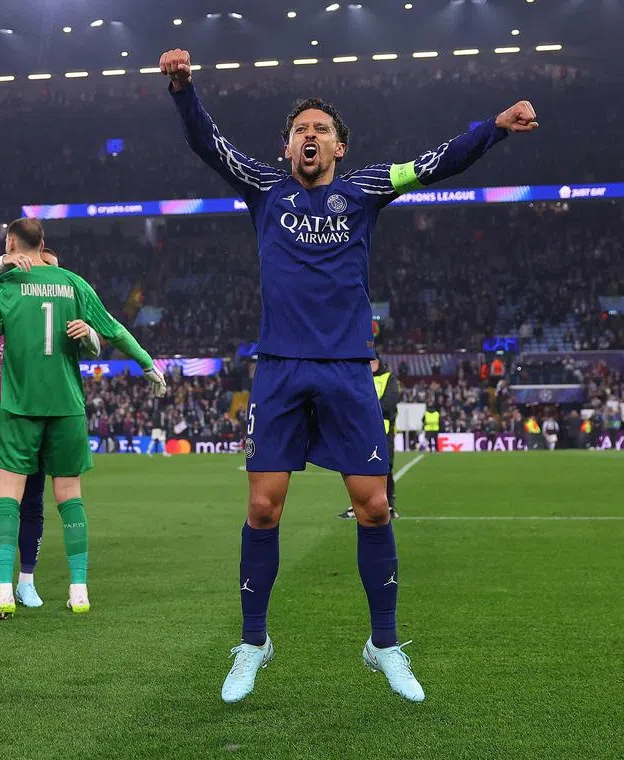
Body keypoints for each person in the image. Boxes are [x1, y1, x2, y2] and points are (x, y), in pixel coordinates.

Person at [160, 46, 536, 704]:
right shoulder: (264, 187)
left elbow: (437, 161)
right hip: (278, 368)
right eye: (300, 129)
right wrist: (183, 91)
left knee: (374, 505)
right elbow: (206, 143)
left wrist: (494, 128)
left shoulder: (364, 189)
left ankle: (383, 645)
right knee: (262, 506)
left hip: (345, 372)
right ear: (286, 148)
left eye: (321, 129)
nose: (310, 135)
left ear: (338, 148)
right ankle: (254, 643)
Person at [0, 218, 166, 619]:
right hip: (67, 407)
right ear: (44, 243)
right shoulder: (74, 283)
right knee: (70, 498)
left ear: (12, 242)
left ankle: (2, 591)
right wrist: (146, 363)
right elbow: (116, 331)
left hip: (18, 409)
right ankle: (79, 589)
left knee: (8, 499)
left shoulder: (1, 289)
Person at [0, 247, 102, 609]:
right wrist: (2, 263)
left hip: (33, 412)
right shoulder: (1, 293)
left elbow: (93, 345)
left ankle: (26, 581)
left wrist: (92, 336)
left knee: (33, 501)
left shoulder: (61, 305)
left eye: (51, 268)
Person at [340, 357, 401, 520]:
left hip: (383, 431)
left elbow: (389, 405)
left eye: (374, 361)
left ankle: (389, 505)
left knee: (384, 468)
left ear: (379, 362)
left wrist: (364, 407)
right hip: (360, 430)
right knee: (357, 468)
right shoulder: (359, 378)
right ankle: (357, 505)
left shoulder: (389, 378)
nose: (371, 365)